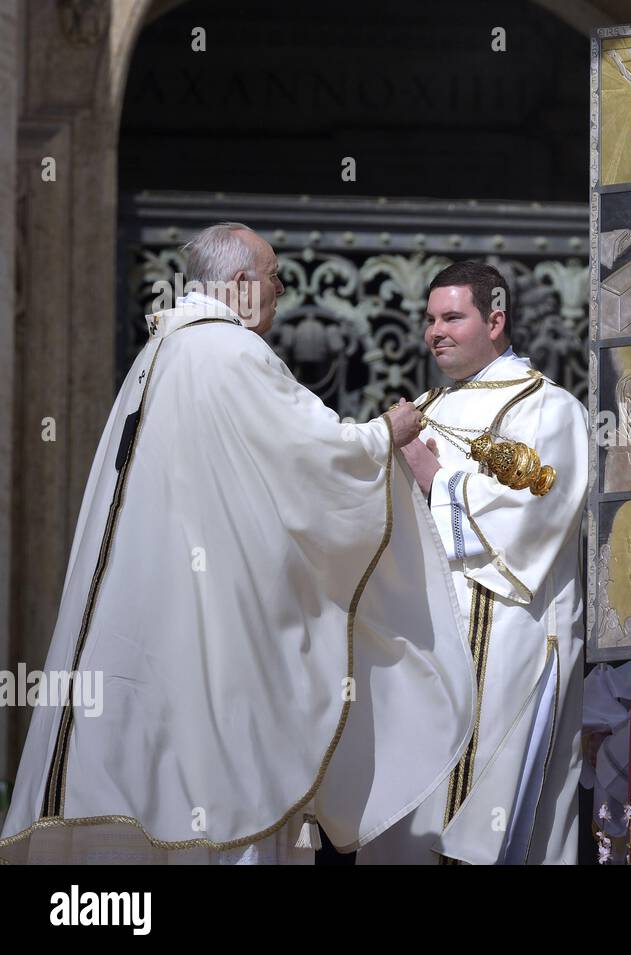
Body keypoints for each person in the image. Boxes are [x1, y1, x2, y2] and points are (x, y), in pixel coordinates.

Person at [0, 222, 474, 864]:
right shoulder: (231, 353)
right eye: (275, 275)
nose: (281, 288)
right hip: (214, 615)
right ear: (243, 284)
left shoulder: (160, 353)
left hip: (161, 602)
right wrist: (384, 433)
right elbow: (314, 458)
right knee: (218, 779)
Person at [361, 261, 588, 865]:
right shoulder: (424, 409)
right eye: (430, 318)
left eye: (451, 317)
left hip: (506, 633)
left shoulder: (547, 407)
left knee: (483, 820)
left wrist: (437, 481)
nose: (435, 331)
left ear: (495, 318)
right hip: (422, 639)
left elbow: (537, 513)